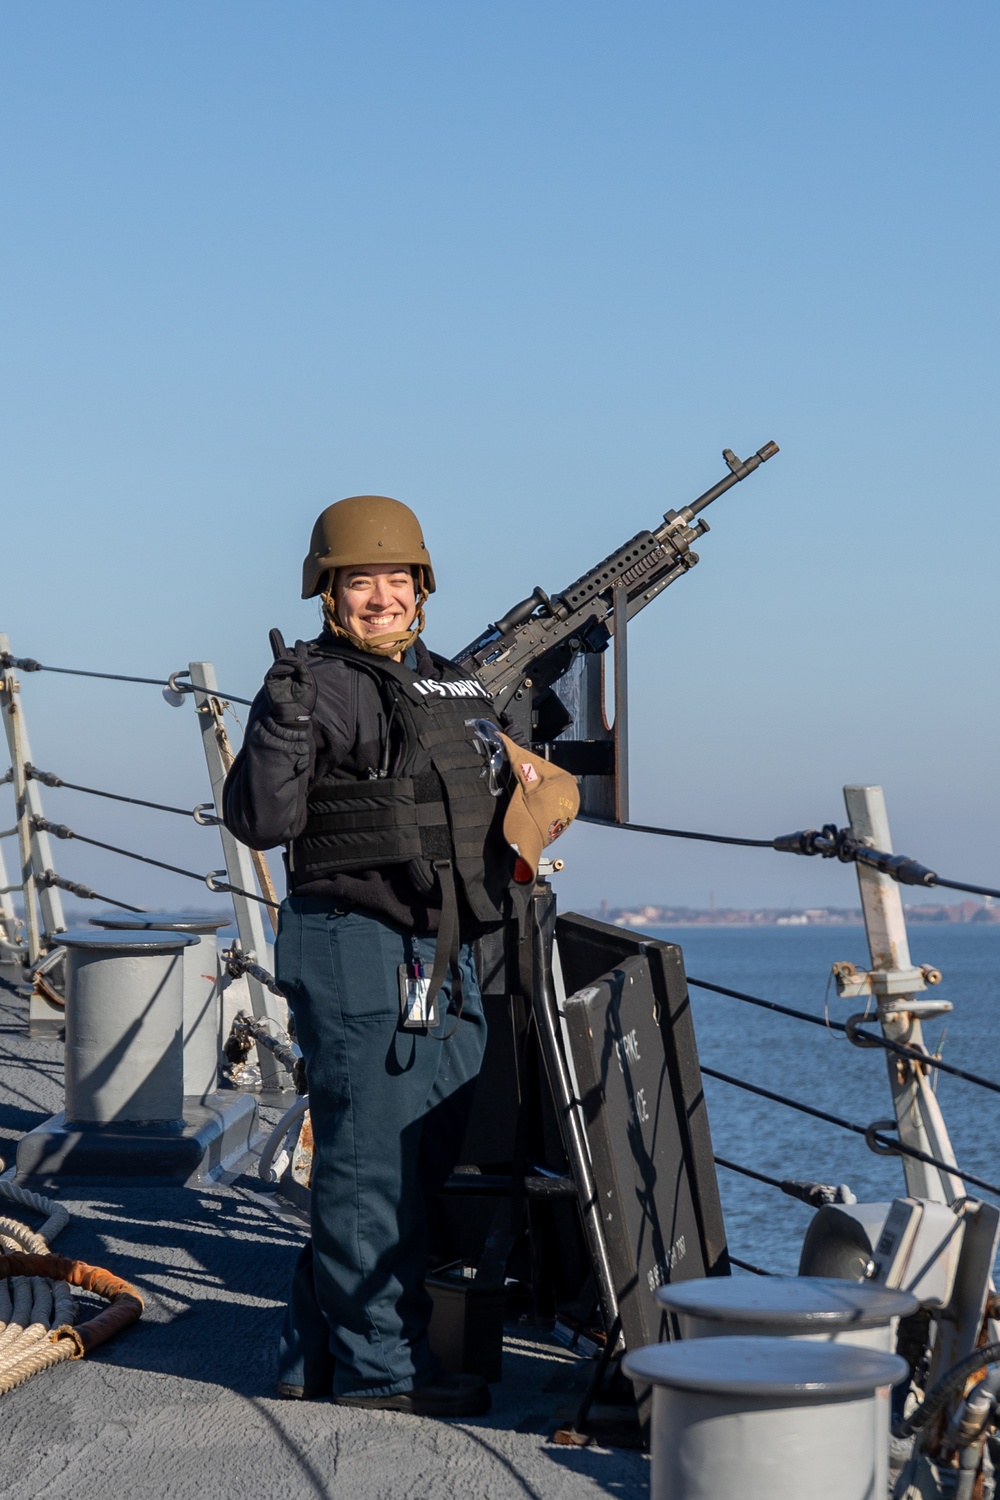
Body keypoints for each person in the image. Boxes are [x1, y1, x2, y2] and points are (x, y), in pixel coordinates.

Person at [222, 494, 577, 1419]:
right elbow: (259, 820)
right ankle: (383, 1368)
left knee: (419, 1152)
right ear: (326, 593)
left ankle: (315, 1353)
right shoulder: (311, 685)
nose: (379, 596)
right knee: (368, 1162)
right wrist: (281, 723)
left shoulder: (450, 684)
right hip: (352, 942)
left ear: (420, 588)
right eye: (357, 581)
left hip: (444, 948)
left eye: (394, 578)